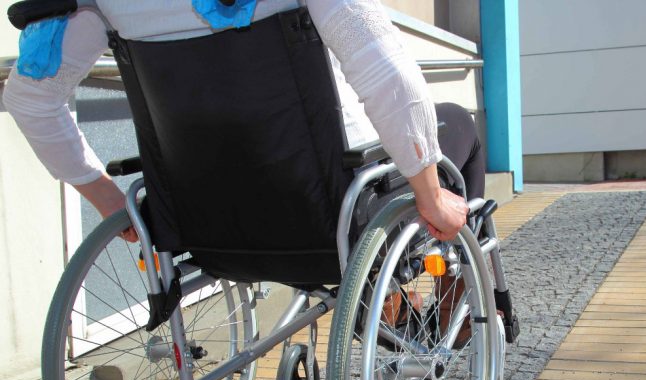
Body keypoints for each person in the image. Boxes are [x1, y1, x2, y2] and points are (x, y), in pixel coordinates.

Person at [3, 0, 485, 243]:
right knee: (458, 125)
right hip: (326, 203)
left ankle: (395, 308)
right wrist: (429, 195)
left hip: (198, 218)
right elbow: (388, 77)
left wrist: (110, 203)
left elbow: (31, 100)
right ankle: (447, 304)